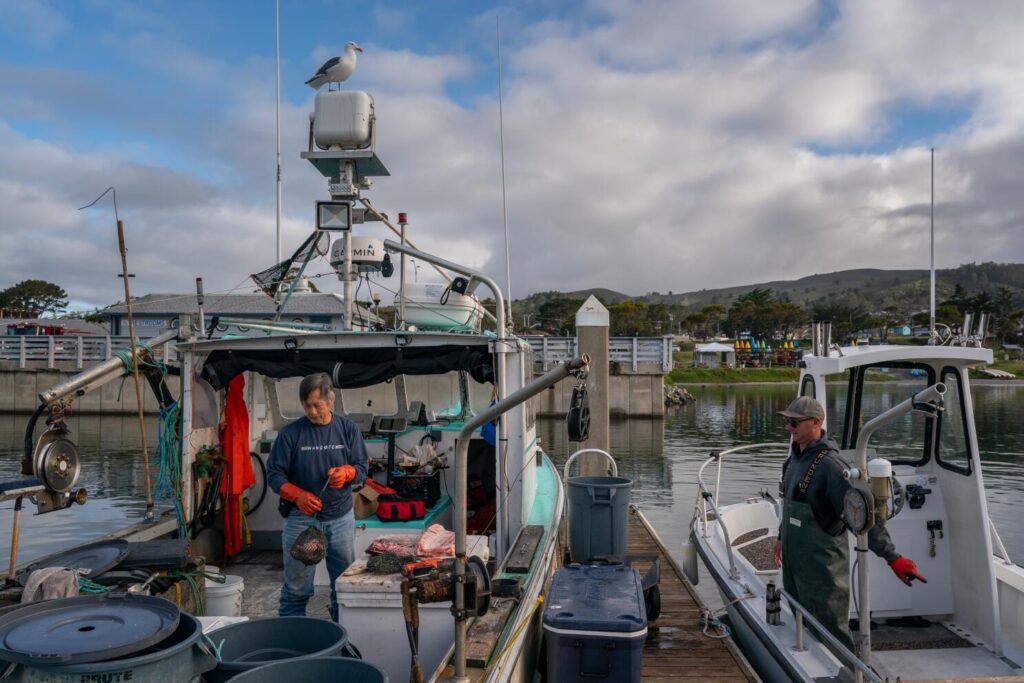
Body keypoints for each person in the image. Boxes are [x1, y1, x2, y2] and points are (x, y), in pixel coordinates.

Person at [772, 396, 926, 649]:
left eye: (794, 422)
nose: (789, 427)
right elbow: (789, 502)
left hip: (822, 568)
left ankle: (848, 669)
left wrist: (893, 558)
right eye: (787, 422)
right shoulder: (793, 460)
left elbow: (863, 516)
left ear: (816, 423)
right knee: (801, 616)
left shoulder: (831, 467)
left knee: (830, 628)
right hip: (794, 562)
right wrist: (781, 537)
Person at [267, 372, 368, 621]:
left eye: (317, 405)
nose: (312, 412)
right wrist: (298, 495)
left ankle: (343, 635)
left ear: (331, 401)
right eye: (307, 406)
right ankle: (293, 641)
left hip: (341, 518)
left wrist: (347, 473)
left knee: (343, 585)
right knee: (296, 588)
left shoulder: (348, 429)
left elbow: (362, 469)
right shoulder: (290, 434)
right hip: (301, 520)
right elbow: (274, 475)